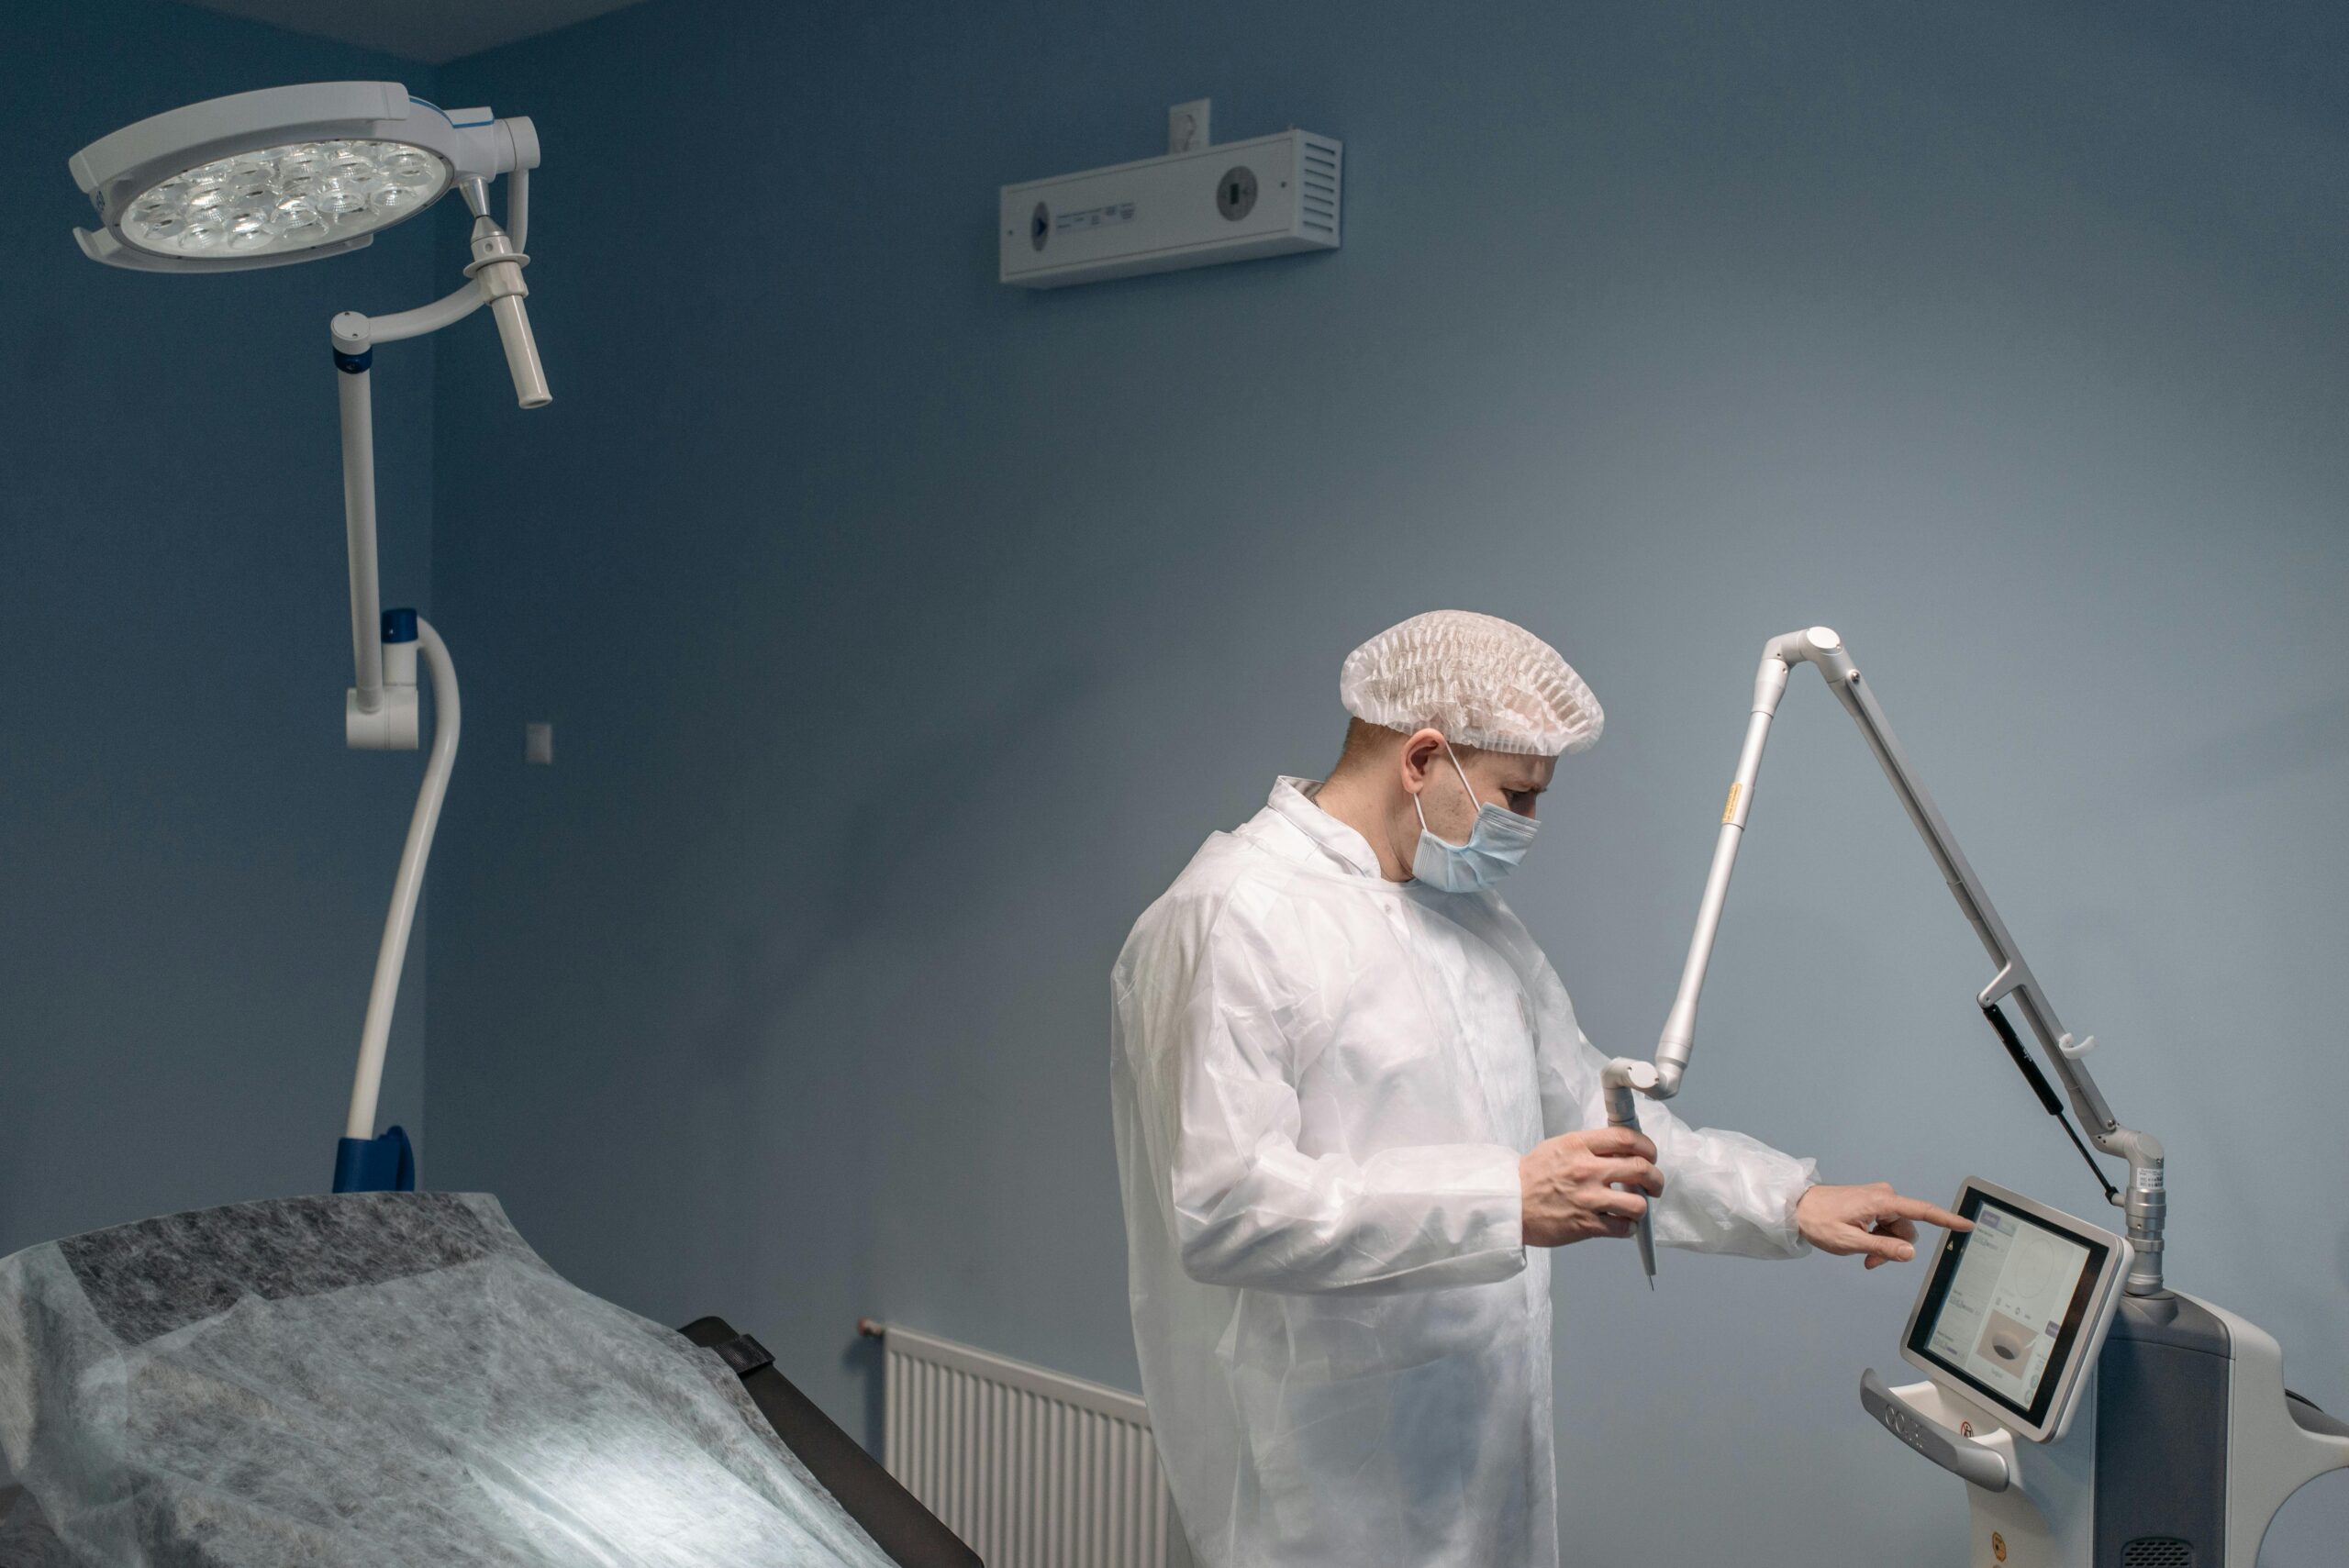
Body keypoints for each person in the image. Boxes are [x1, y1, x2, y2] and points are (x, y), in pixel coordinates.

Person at [1109, 609, 1967, 1568]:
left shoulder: (1469, 919)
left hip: (1482, 1445)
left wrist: (1789, 1198)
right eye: (1517, 794)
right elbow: (1227, 1207)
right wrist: (1502, 1199)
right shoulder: (1232, 917)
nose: (1527, 824)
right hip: (1323, 1481)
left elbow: (1592, 1117)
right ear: (1421, 757)